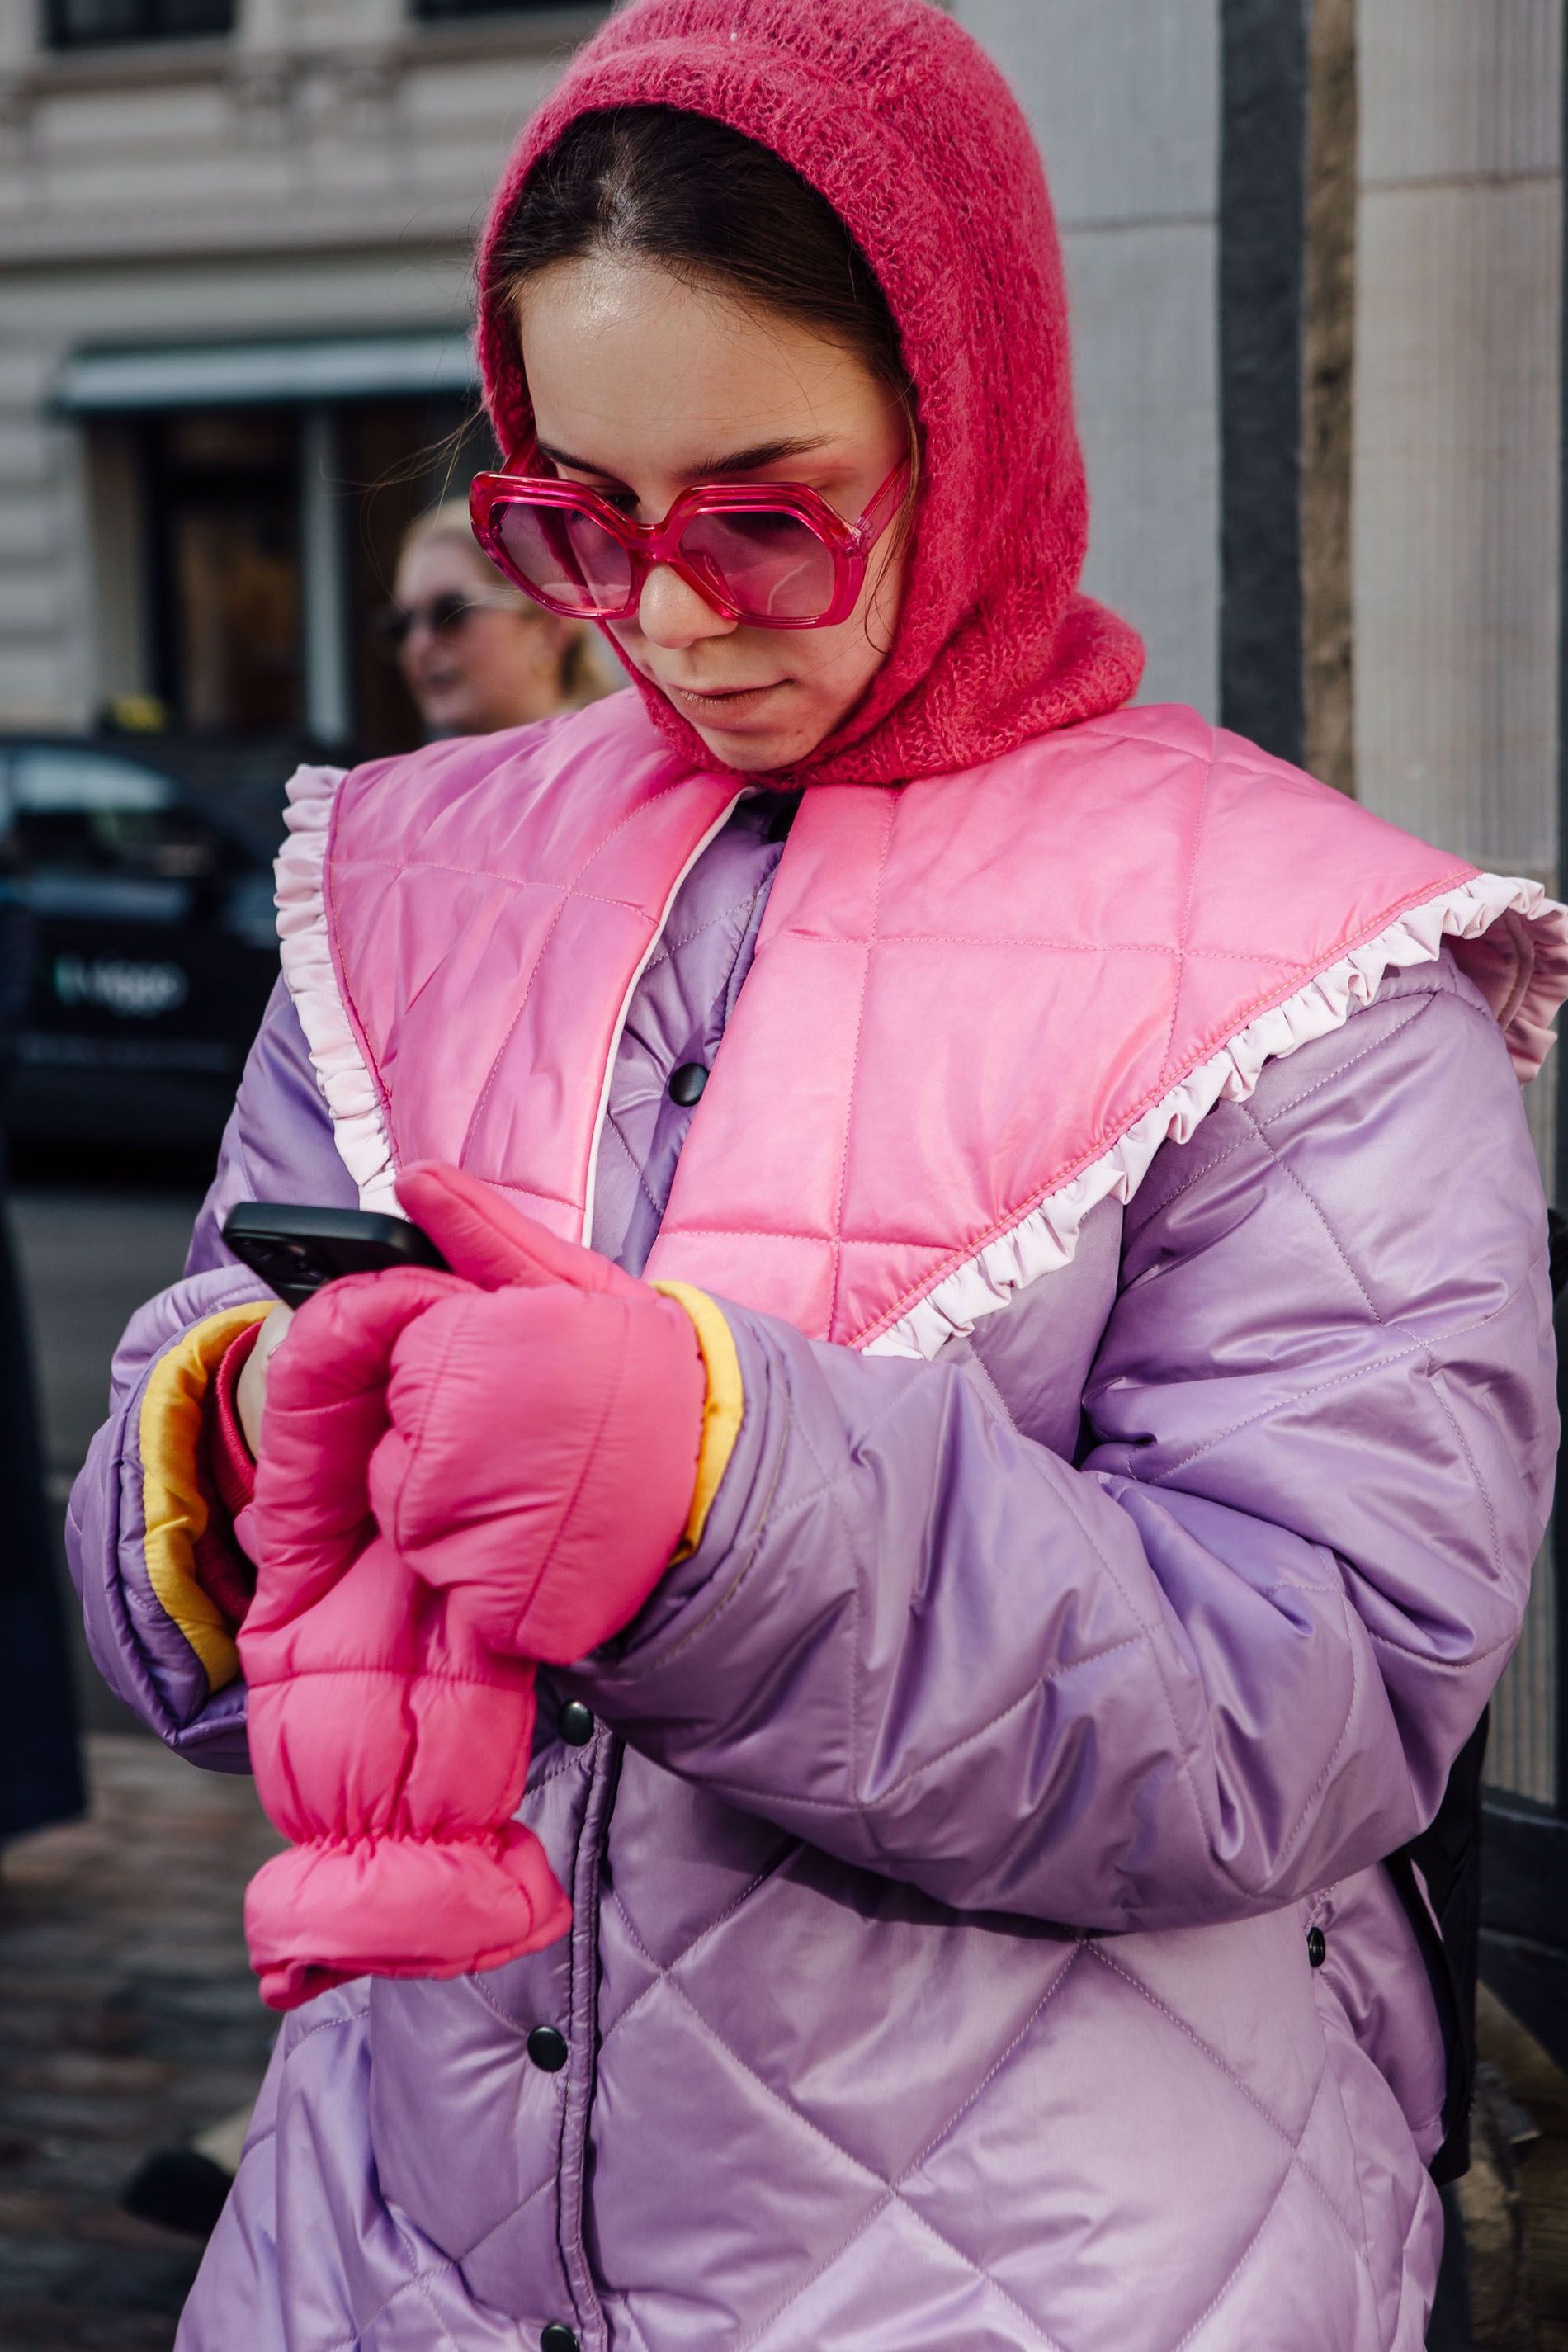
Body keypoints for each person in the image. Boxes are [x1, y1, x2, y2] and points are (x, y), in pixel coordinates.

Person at [65, 3, 1568, 2345]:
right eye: (575, 519)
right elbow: (173, 1569)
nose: (665, 619)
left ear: (962, 425)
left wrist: (711, 1499)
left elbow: (1314, 1701)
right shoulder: (401, 879)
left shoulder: (1311, 962)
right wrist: (233, 1454)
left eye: (764, 514)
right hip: (379, 2259)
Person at [380, 496, 610, 736]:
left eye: (450, 612)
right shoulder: (426, 772)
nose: (418, 646)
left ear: (552, 626)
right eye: (400, 626)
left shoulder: (609, 758)